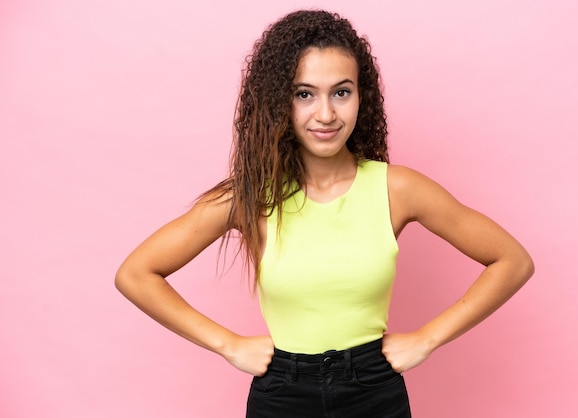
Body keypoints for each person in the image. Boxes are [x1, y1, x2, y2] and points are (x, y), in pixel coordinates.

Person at [115, 9, 534, 418]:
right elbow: (136, 274)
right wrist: (227, 343)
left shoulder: (397, 188)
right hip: (281, 394)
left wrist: (428, 338)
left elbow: (513, 261)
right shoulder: (249, 198)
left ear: (360, 97)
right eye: (304, 93)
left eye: (341, 91)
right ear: (279, 101)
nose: (326, 114)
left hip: (375, 390)